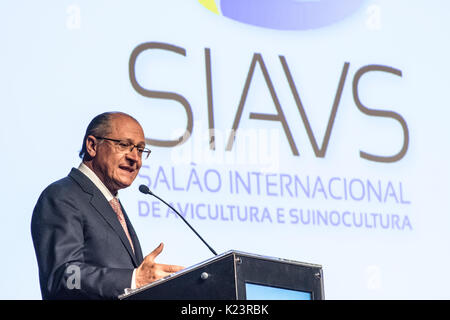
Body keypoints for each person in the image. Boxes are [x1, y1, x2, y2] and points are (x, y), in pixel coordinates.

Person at [31, 111, 183, 299]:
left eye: (140, 149)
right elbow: (64, 277)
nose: (135, 157)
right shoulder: (62, 196)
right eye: (124, 145)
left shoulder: (110, 202)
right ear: (92, 145)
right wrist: (134, 279)